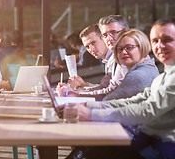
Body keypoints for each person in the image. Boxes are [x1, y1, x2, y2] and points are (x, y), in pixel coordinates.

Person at [69, 17, 175, 159]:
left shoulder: (143, 74)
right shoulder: (162, 77)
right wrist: (88, 105)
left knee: (95, 148)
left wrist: (91, 113)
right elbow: (136, 101)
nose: (160, 46)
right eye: (155, 41)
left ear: (142, 46)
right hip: (149, 140)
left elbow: (147, 110)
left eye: (167, 40)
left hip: (162, 147)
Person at [59, 15, 130, 100]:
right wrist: (84, 85)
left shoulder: (122, 59)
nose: (91, 49)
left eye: (93, 43)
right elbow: (106, 88)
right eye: (87, 47)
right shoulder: (111, 60)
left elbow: (110, 92)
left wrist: (76, 93)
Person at [102, 28, 158, 100]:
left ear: (142, 47)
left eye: (129, 47)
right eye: (120, 49)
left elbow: (107, 102)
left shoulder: (137, 75)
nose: (123, 52)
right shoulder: (149, 67)